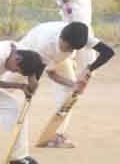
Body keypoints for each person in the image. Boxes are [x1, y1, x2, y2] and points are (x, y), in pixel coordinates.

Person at [15, 21, 112, 149]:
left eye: (73, 49)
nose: (70, 51)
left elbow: (108, 52)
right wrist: (30, 91)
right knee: (4, 85)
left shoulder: (78, 36)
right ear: (61, 38)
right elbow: (44, 73)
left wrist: (86, 71)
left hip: (55, 58)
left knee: (70, 93)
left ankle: (55, 135)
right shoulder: (45, 44)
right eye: (69, 47)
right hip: (27, 55)